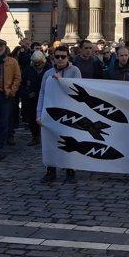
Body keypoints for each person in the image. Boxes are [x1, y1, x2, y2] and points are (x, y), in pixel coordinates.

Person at [38, 46, 82, 183]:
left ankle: (70, 171)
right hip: (51, 113)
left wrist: (61, 81)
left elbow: (78, 91)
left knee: (69, 142)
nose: (60, 59)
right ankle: (51, 171)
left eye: (63, 56)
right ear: (53, 58)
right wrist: (39, 113)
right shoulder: (48, 73)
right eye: (57, 56)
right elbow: (42, 94)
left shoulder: (75, 71)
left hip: (69, 113)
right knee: (50, 141)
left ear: (68, 57)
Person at [21, 51, 50, 146]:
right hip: (31, 99)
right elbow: (22, 84)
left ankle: (46, 138)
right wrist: (26, 94)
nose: (37, 65)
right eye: (35, 63)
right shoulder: (28, 69)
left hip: (46, 98)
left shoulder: (49, 69)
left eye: (39, 62)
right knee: (32, 118)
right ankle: (35, 136)